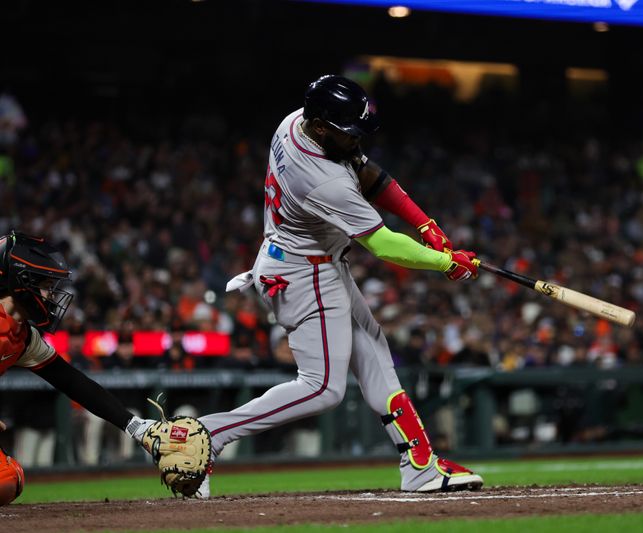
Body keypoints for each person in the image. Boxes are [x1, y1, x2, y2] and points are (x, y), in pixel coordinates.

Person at [199, 74, 483, 496]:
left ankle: (419, 464)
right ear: (320, 127)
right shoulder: (320, 178)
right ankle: (206, 435)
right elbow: (384, 246)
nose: (356, 141)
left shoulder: (298, 121)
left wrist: (425, 222)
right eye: (348, 133)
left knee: (375, 354)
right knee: (322, 388)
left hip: (314, 263)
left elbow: (370, 175)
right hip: (302, 272)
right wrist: (446, 263)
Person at [0, 231, 154, 504]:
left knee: (7, 481)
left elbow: (72, 381)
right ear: (21, 282)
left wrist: (134, 426)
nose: (51, 295)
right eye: (46, 285)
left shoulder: (22, 336)